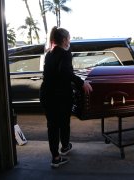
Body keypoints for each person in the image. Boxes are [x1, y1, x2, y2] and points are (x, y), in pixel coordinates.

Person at [40, 26, 93, 168]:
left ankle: (58, 153)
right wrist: (82, 83)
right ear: (64, 40)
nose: (70, 41)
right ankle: (59, 154)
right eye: (69, 39)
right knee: (63, 123)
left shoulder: (50, 54)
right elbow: (67, 72)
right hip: (60, 96)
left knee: (53, 126)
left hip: (46, 94)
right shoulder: (64, 54)